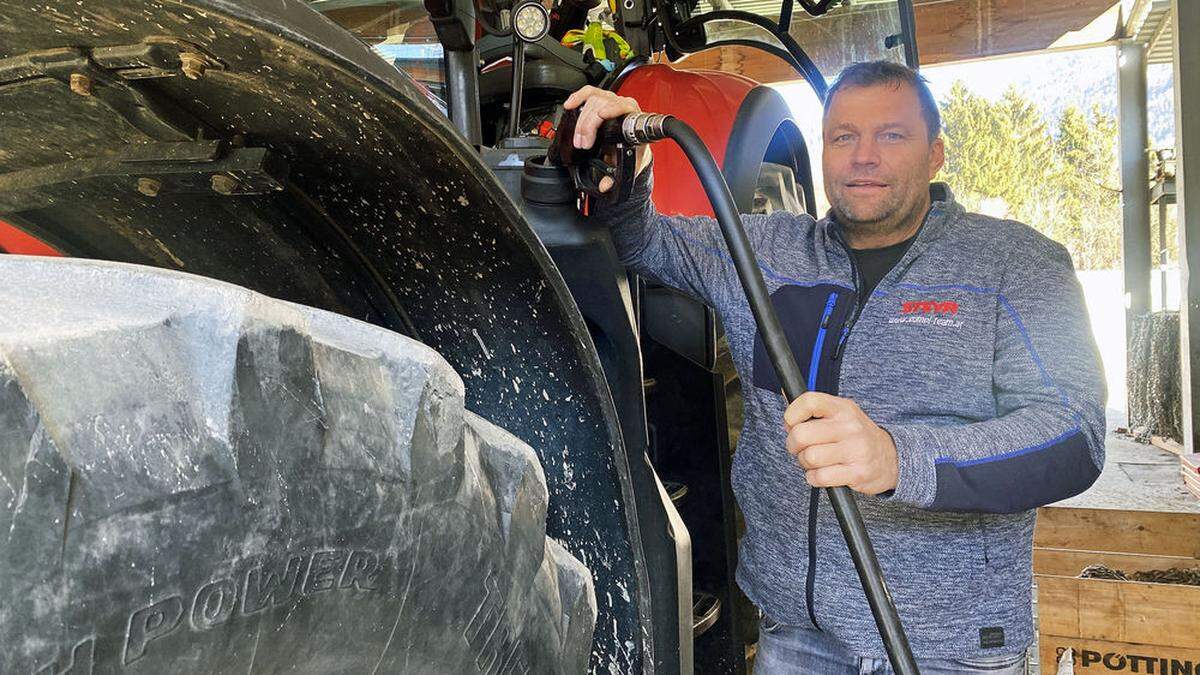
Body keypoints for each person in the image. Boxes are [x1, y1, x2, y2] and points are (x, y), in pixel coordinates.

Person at [566, 61, 1106, 674]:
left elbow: (1074, 436)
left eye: (892, 136)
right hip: (797, 637)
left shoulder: (1017, 265)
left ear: (936, 155)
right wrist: (625, 173)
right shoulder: (764, 250)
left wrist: (899, 457)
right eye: (843, 136)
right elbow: (645, 243)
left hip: (948, 648)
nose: (863, 157)